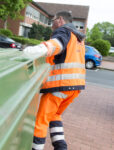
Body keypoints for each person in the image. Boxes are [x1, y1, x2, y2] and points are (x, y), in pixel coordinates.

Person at [23, 11, 86, 150]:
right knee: (55, 115)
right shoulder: (78, 37)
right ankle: (61, 147)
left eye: (53, 20)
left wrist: (31, 51)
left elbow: (55, 45)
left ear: (61, 20)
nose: (52, 23)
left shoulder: (64, 31)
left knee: (41, 120)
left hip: (60, 86)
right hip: (75, 87)